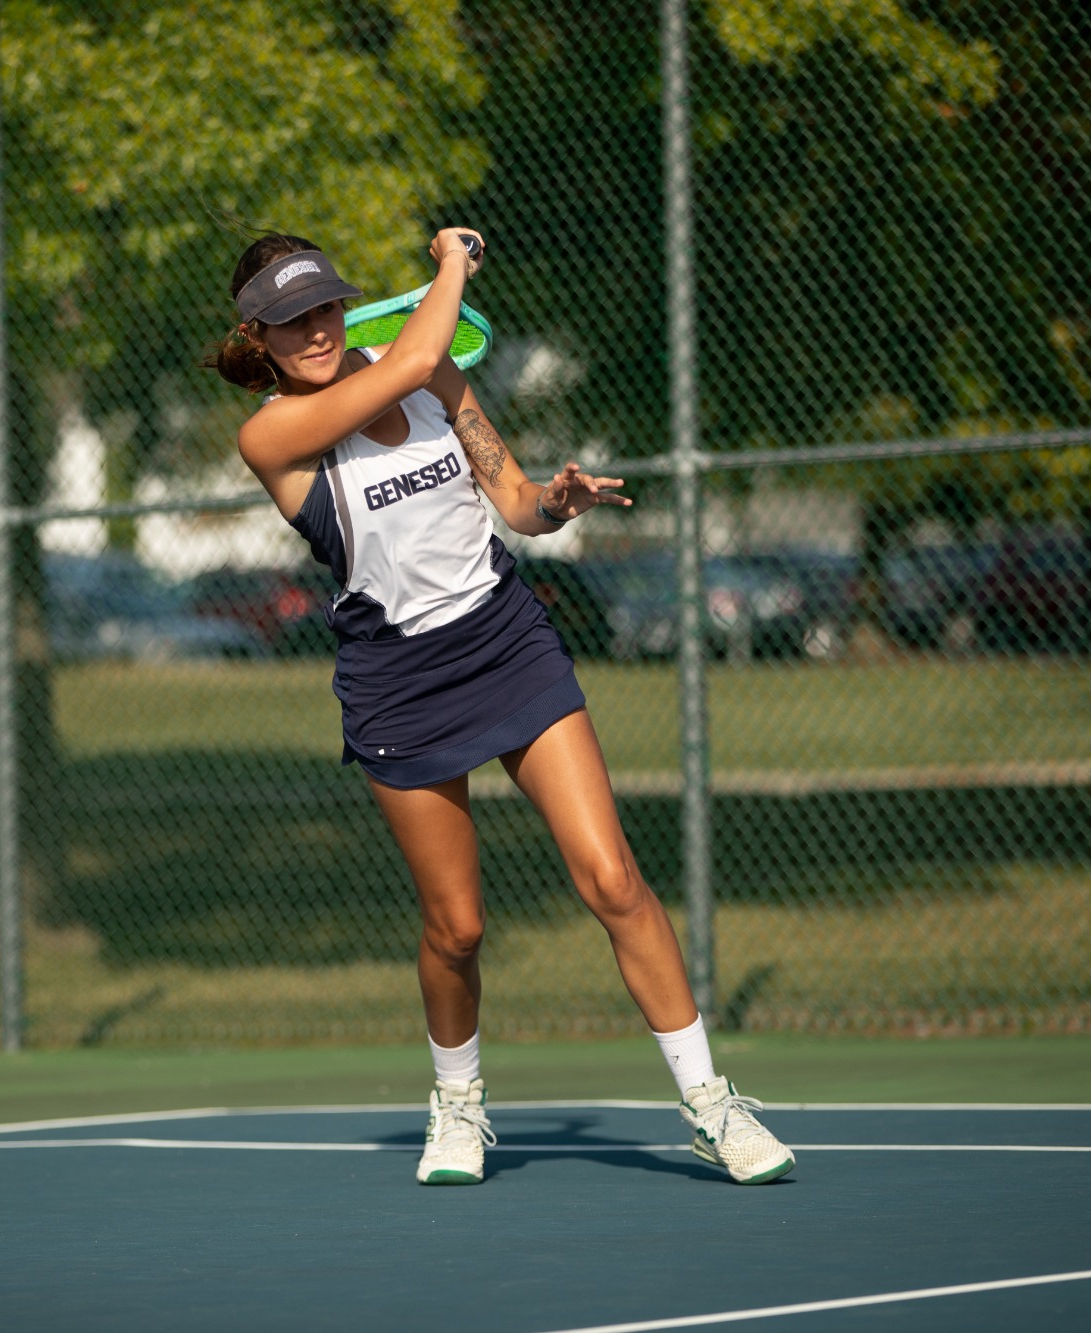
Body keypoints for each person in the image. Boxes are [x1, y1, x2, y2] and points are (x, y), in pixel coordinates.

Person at [203, 228, 792, 1188]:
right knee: (458, 927)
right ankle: (459, 1100)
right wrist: (450, 261)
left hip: (507, 641)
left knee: (612, 878)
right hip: (397, 678)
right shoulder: (272, 433)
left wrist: (555, 501)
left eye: (321, 309)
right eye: (286, 320)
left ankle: (711, 1103)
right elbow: (420, 355)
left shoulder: (432, 386)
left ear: (342, 307)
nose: (311, 331)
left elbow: (509, 496)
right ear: (259, 337)